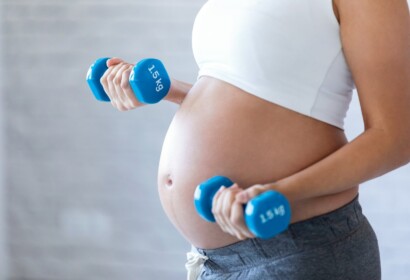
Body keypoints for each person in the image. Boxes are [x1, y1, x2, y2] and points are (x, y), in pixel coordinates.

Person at [100, 0, 410, 279]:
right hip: (217, 262)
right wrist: (164, 89)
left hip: (301, 250)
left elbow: (397, 137)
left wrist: (282, 192)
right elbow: (248, 91)